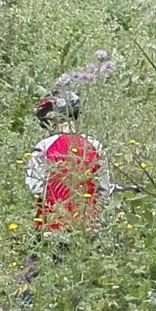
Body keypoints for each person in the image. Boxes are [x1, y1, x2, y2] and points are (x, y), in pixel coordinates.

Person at [26, 91, 104, 229]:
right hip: (89, 224)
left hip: (52, 223)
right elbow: (104, 190)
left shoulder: (44, 146)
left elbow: (35, 188)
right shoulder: (95, 145)